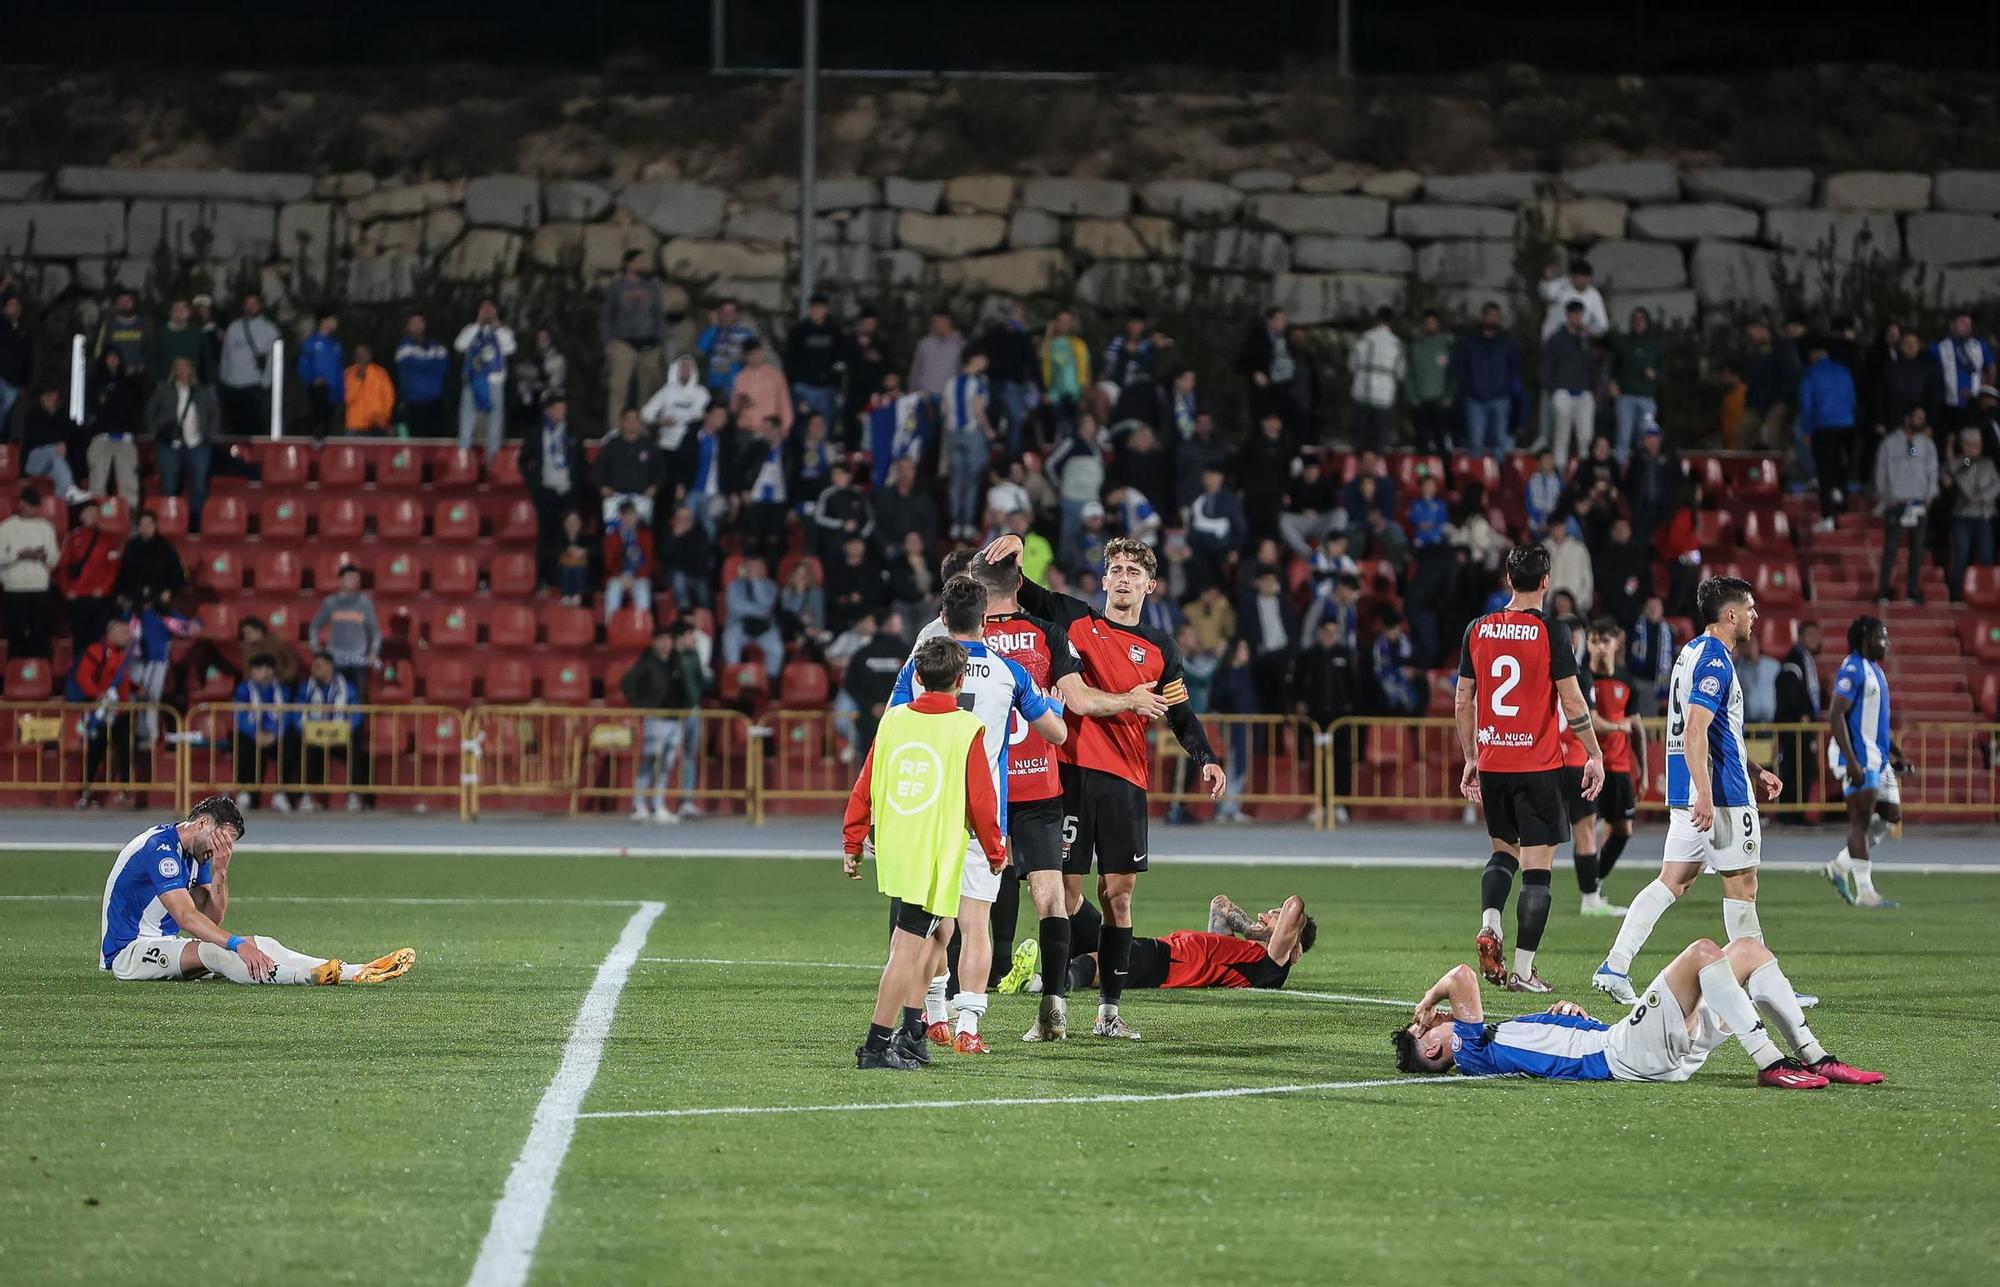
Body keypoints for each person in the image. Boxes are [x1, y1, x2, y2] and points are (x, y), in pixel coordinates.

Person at [912, 551, 1162, 1041]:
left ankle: (935, 1011)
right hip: (1038, 788)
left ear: (977, 589)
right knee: (1051, 898)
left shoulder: (950, 643)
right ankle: (1053, 1008)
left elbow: (907, 711)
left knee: (951, 905)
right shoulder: (1048, 634)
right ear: (1020, 582)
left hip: (969, 792)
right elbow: (1072, 712)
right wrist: (1131, 699)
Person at [989, 533, 1226, 1041]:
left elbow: (1181, 714)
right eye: (1115, 570)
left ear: (1150, 585)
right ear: (1103, 581)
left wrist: (1205, 756)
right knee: (1062, 893)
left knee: (1119, 896)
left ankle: (1109, 1012)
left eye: (1133, 572)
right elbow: (1022, 589)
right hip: (1068, 776)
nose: (1123, 578)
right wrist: (1014, 543)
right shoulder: (1074, 618)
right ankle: (1053, 1007)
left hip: (1124, 782)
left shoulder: (1162, 649)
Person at [887, 577, 1068, 1054]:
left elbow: (893, 727)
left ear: (942, 621)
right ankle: (968, 1025)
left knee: (931, 921)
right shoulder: (1009, 673)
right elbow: (1055, 735)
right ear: (986, 621)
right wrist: (1054, 708)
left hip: (929, 812)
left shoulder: (920, 670)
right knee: (975, 921)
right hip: (981, 812)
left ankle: (935, 1014)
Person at [1592, 577, 1787, 1006]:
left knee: (1672, 881)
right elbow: (1697, 729)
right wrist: (1707, 791)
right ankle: (1761, 987)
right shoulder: (1717, 661)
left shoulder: (1690, 652)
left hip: (1691, 788)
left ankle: (1615, 965)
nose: (1755, 617)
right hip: (1720, 794)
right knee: (1743, 886)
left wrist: (1754, 769)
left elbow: (1714, 730)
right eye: (1750, 609)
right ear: (1731, 614)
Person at [1393, 940, 1879, 1090]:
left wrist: (1569, 1017)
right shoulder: (1469, 1049)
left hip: (1637, 1050)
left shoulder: (1493, 1044)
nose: (1433, 1021)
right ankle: (1772, 1063)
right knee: (1703, 953)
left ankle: (1815, 1057)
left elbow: (1551, 1047)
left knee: (1748, 951)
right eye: (1427, 1028)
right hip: (1627, 1053)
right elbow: (1461, 975)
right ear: (1436, 1046)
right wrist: (1428, 1001)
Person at [841, 637, 1005, 1070]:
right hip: (933, 852)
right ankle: (877, 1046)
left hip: (900, 846)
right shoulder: (966, 728)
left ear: (917, 677)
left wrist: (853, 840)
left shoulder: (893, 720)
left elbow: (866, 781)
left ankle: (913, 1032)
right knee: (905, 948)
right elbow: (982, 799)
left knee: (942, 931)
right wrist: (994, 848)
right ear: (960, 679)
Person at [1455, 544, 1604, 993]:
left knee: (1503, 854)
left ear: (1507, 578)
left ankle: (1490, 923)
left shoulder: (1477, 629)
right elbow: (1573, 701)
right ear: (1545, 581)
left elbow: (1463, 699)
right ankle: (1521, 970)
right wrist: (1594, 753)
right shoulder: (1551, 631)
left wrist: (1471, 758)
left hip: (1495, 761)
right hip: (1538, 766)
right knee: (1538, 871)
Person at [98, 796, 413, 986]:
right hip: (129, 953)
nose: (223, 848)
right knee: (222, 950)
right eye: (222, 840)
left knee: (258, 943)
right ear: (201, 823)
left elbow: (213, 918)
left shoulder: (199, 853)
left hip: (165, 943)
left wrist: (221, 870)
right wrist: (236, 945)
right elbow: (187, 917)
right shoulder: (160, 847)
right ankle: (305, 978)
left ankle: (348, 971)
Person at [1062, 893, 1315, 993]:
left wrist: (1293, 939)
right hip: (1156, 948)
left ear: (1291, 939)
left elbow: (1295, 904)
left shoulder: (1271, 967)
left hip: (1163, 965)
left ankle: (1043, 983)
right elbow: (1219, 904)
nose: (1263, 915)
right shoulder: (1244, 954)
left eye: (1275, 916)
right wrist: (1252, 930)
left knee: (1099, 964)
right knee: (1072, 902)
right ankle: (1056, 975)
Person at [1824, 617, 1908, 910]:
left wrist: (1896, 752)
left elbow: (1876, 723)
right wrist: (1851, 761)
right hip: (1859, 757)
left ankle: (1839, 865)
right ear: (1865, 638)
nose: (1886, 642)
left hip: (1878, 757)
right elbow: (1836, 715)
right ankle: (1865, 892)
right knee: (1860, 821)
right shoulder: (1852, 668)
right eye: (1881, 636)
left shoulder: (1876, 671)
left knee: (1890, 816)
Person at [1582, 619, 1646, 915]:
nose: (1599, 647)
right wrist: (1618, 726)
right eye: (1594, 641)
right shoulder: (1582, 678)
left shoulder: (1625, 680)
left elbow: (1637, 728)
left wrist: (1643, 769)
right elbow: (1593, 721)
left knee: (1623, 828)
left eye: (1605, 640)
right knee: (1587, 827)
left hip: (1619, 768)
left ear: (1616, 643)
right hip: (1588, 766)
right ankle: (1589, 895)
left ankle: (1593, 881)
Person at [68, 616, 136, 808]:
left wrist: (137, 688)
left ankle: (125, 792)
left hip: (121, 711)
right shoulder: (97, 651)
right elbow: (83, 676)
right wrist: (97, 694)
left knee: (125, 750)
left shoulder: (126, 655)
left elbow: (126, 681)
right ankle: (84, 792)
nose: (127, 635)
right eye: (123, 631)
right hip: (102, 711)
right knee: (96, 751)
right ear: (111, 633)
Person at [1873, 407, 1939, 603]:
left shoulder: (1926, 444)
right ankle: (1884, 590)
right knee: (1891, 548)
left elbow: (1932, 471)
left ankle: (1912, 590)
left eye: (1923, 418)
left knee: (1917, 549)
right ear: (1907, 418)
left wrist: (1929, 498)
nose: (1920, 421)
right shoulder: (1890, 442)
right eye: (1917, 417)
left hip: (1918, 502)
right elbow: (1880, 472)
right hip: (1897, 501)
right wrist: (1885, 498)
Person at [522, 393, 587, 591]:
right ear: (549, 411)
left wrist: (577, 482)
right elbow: (523, 460)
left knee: (570, 535)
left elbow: (581, 459)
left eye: (563, 409)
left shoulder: (572, 431)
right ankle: (544, 577)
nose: (562, 413)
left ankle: (568, 580)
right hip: (546, 490)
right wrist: (534, 483)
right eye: (558, 409)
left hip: (568, 490)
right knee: (546, 536)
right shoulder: (536, 433)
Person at [146, 356, 220, 531]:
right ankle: (170, 520)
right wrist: (157, 432)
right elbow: (150, 412)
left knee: (199, 486)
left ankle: (196, 522)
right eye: (179, 367)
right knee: (169, 485)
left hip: (197, 443)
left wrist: (209, 434)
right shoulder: (164, 390)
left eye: (186, 366)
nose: (183, 370)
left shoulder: (203, 391)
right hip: (170, 445)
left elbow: (214, 413)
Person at [292, 651, 366, 813]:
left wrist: (345, 730)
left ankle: (354, 796)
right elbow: (297, 713)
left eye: (318, 666)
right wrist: (306, 730)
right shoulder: (306, 688)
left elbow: (356, 714)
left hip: (339, 737)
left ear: (329, 667)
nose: (314, 669)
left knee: (355, 750)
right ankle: (305, 796)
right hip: (315, 737)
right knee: (304, 749)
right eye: (314, 666)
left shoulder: (347, 688)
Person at [1798, 336, 1860, 531]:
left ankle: (1828, 517)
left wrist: (1807, 429)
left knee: (1824, 471)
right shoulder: (1843, 372)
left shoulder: (1810, 374)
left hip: (1823, 426)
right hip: (1846, 423)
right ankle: (1840, 493)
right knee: (1841, 463)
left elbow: (1806, 404)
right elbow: (1852, 399)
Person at [603, 248, 669, 416]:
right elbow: (607, 316)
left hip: (648, 342)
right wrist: (608, 342)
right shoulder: (617, 287)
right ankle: (615, 430)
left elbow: (658, 315)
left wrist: (660, 342)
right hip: (623, 342)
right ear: (628, 263)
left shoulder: (651, 287)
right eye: (638, 260)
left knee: (646, 392)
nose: (642, 264)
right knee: (619, 389)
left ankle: (643, 431)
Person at [1453, 302, 1523, 456]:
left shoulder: (1507, 342)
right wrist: (1470, 388)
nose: (1493, 319)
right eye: (1490, 315)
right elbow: (1460, 367)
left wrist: (1507, 389)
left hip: (1500, 398)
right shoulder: (1469, 341)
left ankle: (1500, 478)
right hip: (1475, 399)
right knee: (1476, 441)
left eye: (1496, 316)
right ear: (1483, 316)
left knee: (1500, 441)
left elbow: (1515, 368)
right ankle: (1478, 477)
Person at [232, 654, 298, 812]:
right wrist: (255, 733)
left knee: (292, 746)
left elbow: (287, 716)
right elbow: (239, 716)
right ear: (253, 671)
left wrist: (275, 733)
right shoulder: (243, 690)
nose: (265, 672)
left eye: (268, 668)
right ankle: (246, 794)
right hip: (253, 735)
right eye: (259, 668)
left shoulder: (283, 690)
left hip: (275, 736)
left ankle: (283, 794)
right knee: (243, 744)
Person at [0, 486, 59, 659]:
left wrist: (43, 556)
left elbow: (54, 558)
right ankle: (16, 676)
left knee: (39, 635)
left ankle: (38, 675)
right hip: (14, 587)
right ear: (21, 503)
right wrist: (19, 555)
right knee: (16, 635)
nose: (31, 508)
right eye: (28, 504)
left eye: (34, 505)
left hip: (39, 587)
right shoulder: (7, 527)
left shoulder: (46, 527)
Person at [1773, 620, 1824, 819]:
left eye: (1817, 636)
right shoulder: (1793, 660)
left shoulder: (1806, 660)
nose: (1815, 640)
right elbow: (1789, 688)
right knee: (1795, 769)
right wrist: (1802, 714)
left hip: (1804, 725)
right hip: (1795, 726)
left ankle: (1798, 813)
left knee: (1805, 769)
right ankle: (1789, 814)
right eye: (1811, 636)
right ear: (1801, 637)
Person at [308, 563, 381, 698]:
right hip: (335, 661)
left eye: (355, 578)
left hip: (358, 660)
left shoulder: (365, 603)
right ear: (340, 580)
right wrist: (316, 648)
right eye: (349, 577)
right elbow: (314, 626)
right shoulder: (330, 603)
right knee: (335, 697)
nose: (353, 581)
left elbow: (375, 631)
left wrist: (373, 652)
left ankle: (356, 720)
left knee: (357, 699)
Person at [1944, 426, 2000, 600]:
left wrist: (1982, 497)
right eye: (1972, 444)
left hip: (1984, 516)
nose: (1977, 447)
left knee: (1986, 554)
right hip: (1963, 517)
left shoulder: (1987, 463)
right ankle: (1957, 595)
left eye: (1978, 444)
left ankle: (1987, 593)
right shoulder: (1962, 462)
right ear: (1964, 445)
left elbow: (1997, 485)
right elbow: (1959, 478)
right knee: (1962, 554)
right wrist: (1963, 458)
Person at [455, 299, 517, 455]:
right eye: (484, 309)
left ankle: (493, 466)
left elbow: (510, 348)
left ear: (496, 312)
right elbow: (460, 345)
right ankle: (464, 465)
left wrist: (498, 329)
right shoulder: (471, 329)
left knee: (494, 428)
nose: (487, 312)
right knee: (466, 425)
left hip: (494, 384)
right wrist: (478, 325)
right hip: (473, 382)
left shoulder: (504, 331)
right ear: (479, 311)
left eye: (491, 309)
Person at [55, 499, 120, 647]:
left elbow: (113, 569)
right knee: (79, 640)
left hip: (98, 597)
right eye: (89, 512)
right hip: (78, 597)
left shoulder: (109, 539)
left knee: (98, 640)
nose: (93, 515)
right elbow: (63, 567)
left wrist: (104, 588)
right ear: (81, 516)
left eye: (95, 512)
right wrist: (67, 590)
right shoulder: (73, 538)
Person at [942, 351, 992, 541]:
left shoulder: (950, 383)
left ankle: (956, 524)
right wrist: (988, 430)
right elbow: (977, 408)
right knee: (971, 481)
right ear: (973, 359)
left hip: (954, 435)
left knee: (956, 481)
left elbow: (945, 411)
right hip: (971, 433)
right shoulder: (978, 382)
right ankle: (968, 524)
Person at [1541, 300, 1596, 473]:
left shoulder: (1586, 338)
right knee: (1562, 435)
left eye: (1579, 314)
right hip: (1563, 391)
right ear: (1567, 315)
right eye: (1573, 313)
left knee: (1586, 437)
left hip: (1584, 392)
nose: (1577, 317)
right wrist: (1553, 389)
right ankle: (1559, 473)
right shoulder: (1556, 339)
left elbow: (1595, 365)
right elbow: (1546, 367)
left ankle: (1585, 474)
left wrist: (1592, 389)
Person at [217, 291, 280, 436]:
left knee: (253, 428)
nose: (250, 307)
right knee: (234, 429)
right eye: (247, 303)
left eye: (254, 304)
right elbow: (226, 355)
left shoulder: (269, 330)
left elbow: (273, 359)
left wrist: (265, 382)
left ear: (260, 306)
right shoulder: (233, 327)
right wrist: (223, 379)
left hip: (253, 385)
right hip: (232, 385)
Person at [1609, 306, 1660, 465]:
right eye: (1635, 319)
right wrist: (1612, 383)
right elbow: (1613, 367)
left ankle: (1644, 471)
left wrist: (1655, 373)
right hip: (1625, 396)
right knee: (1623, 436)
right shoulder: (1623, 342)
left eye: (1642, 319)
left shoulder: (1654, 344)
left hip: (1646, 397)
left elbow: (1663, 368)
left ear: (1647, 322)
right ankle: (1618, 473)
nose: (1639, 323)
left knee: (1646, 436)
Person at [1348, 307, 1404, 452]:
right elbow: (1400, 372)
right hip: (1384, 396)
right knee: (1379, 439)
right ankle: (1377, 467)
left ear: (1376, 320)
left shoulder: (1363, 338)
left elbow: (1351, 365)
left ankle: (1359, 468)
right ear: (1391, 322)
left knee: (1360, 437)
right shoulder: (1396, 343)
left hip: (1362, 392)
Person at [596, 408, 665, 526]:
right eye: (628, 419)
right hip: (615, 496)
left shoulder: (649, 445)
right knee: (613, 534)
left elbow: (661, 470)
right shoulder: (612, 444)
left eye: (635, 419)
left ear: (640, 422)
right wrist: (603, 486)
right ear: (622, 422)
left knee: (642, 534)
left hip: (641, 496)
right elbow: (598, 469)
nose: (631, 423)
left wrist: (654, 487)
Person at [721, 557, 783, 681]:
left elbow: (766, 603)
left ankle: (768, 682)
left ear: (762, 569)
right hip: (739, 624)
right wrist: (760, 610)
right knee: (730, 642)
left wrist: (756, 582)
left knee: (777, 649)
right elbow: (735, 607)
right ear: (744, 569)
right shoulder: (734, 585)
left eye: (757, 567)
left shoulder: (771, 586)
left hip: (764, 626)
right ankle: (738, 680)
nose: (753, 569)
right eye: (750, 566)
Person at [394, 313, 450, 438]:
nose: (417, 326)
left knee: (435, 443)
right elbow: (409, 364)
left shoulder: (438, 346)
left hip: (435, 403)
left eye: (420, 322)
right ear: (408, 327)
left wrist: (421, 364)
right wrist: (430, 364)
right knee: (415, 442)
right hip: (413, 403)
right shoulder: (403, 346)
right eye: (414, 323)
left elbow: (443, 366)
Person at [640, 354, 711, 450]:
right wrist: (660, 421)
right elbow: (646, 413)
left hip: (693, 443)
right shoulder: (667, 390)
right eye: (683, 368)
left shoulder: (702, 392)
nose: (685, 371)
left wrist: (698, 419)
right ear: (676, 369)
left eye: (688, 368)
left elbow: (711, 415)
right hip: (667, 442)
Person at [602, 500, 655, 622]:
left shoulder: (646, 536)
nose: (629, 519)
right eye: (626, 515)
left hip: (639, 576)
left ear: (637, 516)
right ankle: (611, 628)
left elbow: (649, 561)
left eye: (632, 515)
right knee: (613, 591)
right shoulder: (611, 537)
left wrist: (635, 576)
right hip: (619, 576)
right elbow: (609, 563)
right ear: (620, 517)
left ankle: (642, 628)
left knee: (643, 592)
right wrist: (622, 576)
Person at [295, 311, 344, 444]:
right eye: (333, 319)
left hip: (333, 393)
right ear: (324, 321)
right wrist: (313, 379)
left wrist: (341, 392)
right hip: (318, 390)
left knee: (330, 426)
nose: (336, 323)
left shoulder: (336, 345)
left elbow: (339, 369)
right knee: (318, 420)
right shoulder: (311, 342)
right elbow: (303, 365)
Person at [697, 299, 758, 402]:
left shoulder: (745, 333)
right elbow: (702, 347)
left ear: (736, 315)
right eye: (724, 312)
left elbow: (753, 355)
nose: (727, 316)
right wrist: (713, 327)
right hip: (715, 384)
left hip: (737, 384)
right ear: (719, 314)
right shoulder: (713, 332)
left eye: (730, 312)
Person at [909, 309, 964, 400]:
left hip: (948, 398)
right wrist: (911, 390)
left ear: (948, 322)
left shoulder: (960, 344)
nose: (934, 325)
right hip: (923, 396)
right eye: (933, 322)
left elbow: (963, 372)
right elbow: (916, 368)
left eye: (938, 321)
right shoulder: (925, 343)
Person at [341, 342, 393, 435]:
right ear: (354, 357)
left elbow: (388, 398)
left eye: (364, 353)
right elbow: (347, 399)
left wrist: (384, 418)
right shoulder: (348, 373)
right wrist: (357, 380)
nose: (361, 356)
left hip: (377, 425)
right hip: (354, 426)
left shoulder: (380, 373)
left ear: (370, 356)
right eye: (358, 354)